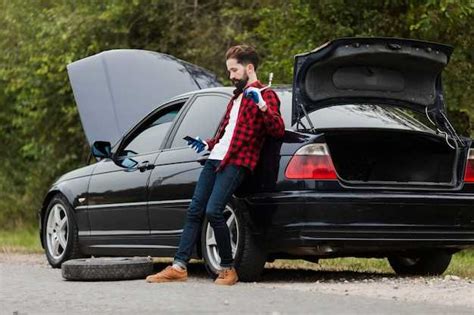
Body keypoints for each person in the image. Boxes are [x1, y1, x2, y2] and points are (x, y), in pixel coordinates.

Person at [145, 44, 285, 285]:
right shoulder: (236, 98)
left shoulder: (266, 95)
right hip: (215, 158)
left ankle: (228, 269)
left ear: (249, 68)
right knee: (194, 210)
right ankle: (179, 266)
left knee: (213, 211)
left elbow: (277, 129)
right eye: (229, 70)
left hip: (237, 162)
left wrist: (261, 104)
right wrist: (207, 144)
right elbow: (226, 134)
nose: (231, 76)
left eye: (234, 70)